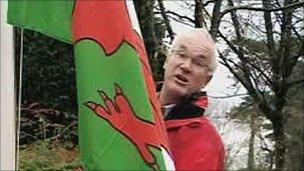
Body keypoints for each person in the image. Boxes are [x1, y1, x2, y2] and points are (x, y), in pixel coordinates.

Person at [159, 28, 225, 170]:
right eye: (181, 55)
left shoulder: (205, 140)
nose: (186, 66)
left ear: (206, 80)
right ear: (167, 60)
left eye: (198, 63)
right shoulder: (132, 107)